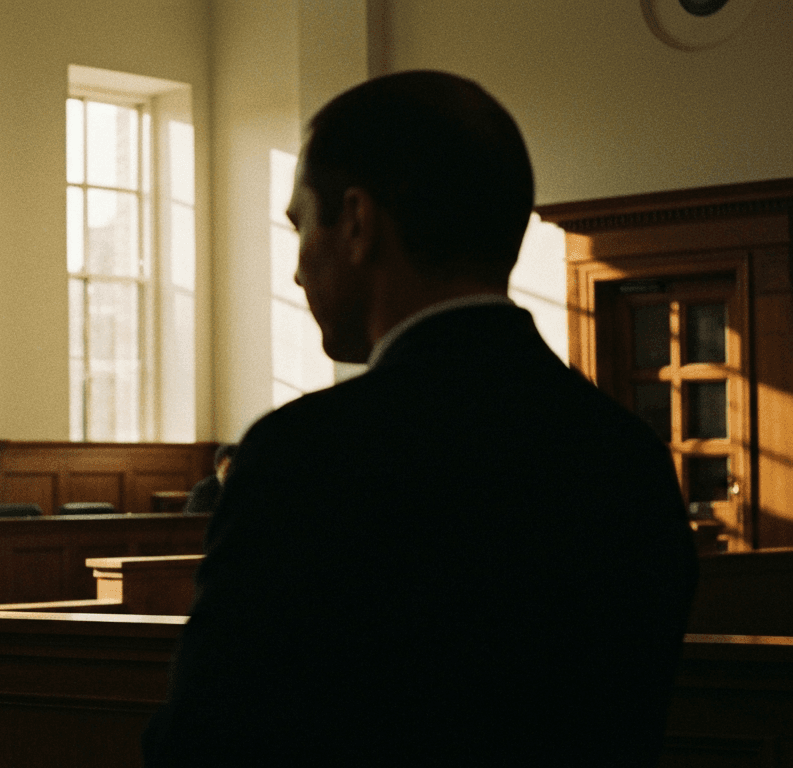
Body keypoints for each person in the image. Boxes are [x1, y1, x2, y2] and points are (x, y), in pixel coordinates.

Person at [142, 71, 697, 766]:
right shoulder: (628, 457)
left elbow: (211, 742)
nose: (294, 272)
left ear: (358, 223)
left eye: (299, 225)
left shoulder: (307, 457)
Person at [184, 444, 236, 514]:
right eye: (229, 468)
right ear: (218, 466)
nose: (233, 473)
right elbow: (192, 521)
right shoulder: (202, 489)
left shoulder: (244, 488)